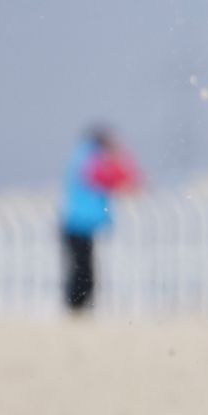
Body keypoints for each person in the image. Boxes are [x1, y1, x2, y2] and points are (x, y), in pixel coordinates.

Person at [59, 128, 141, 311]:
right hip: (80, 223)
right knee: (83, 270)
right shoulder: (92, 157)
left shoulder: (81, 156)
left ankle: (77, 307)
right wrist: (120, 159)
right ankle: (77, 308)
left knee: (81, 268)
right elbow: (110, 177)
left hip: (76, 222)